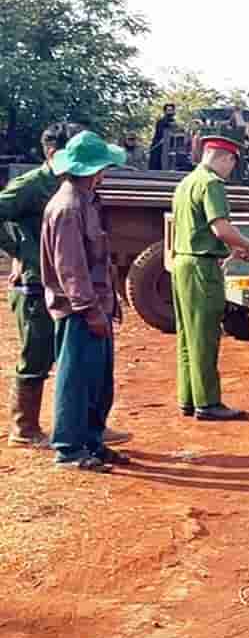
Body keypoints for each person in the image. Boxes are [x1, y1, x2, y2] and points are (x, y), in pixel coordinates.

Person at [39, 131, 127, 471]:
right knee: (75, 379)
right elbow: (71, 268)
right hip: (80, 310)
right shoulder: (68, 207)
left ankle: (92, 441)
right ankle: (70, 449)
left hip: (95, 306)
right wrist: (89, 311)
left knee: (97, 380)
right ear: (94, 169)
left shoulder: (85, 199)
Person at [170, 135, 249, 421]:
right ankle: (207, 403)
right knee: (205, 336)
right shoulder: (211, 184)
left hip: (182, 262)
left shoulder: (186, 183)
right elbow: (221, 228)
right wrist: (247, 246)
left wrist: (233, 247)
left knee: (188, 335)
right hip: (201, 267)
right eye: (232, 162)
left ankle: (189, 397)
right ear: (225, 158)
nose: (231, 170)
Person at [1, 122, 79, 446]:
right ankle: (24, 428)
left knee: (69, 354)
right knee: (36, 353)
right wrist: (20, 250)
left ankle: (77, 426)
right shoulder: (32, 185)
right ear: (51, 152)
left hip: (63, 282)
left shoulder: (70, 182)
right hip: (35, 285)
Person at [149, 103, 178, 170]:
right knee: (156, 164)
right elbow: (161, 133)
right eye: (168, 110)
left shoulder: (174, 122)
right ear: (165, 111)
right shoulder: (161, 121)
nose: (170, 111)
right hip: (158, 146)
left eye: (171, 110)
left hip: (169, 148)